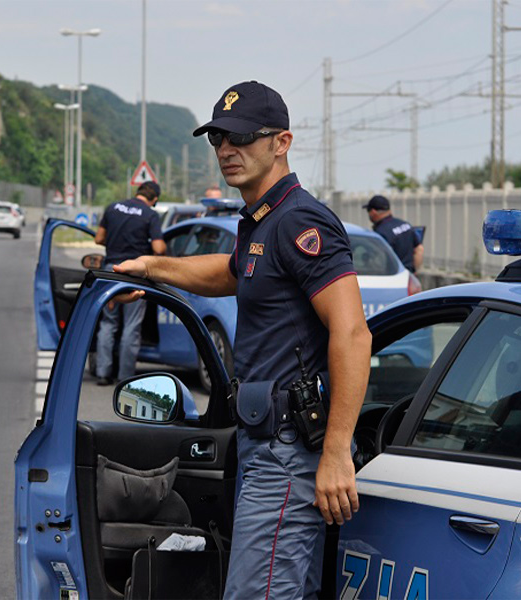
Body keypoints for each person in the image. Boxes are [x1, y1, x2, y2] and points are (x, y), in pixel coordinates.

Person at [114, 81, 372, 598]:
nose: (227, 149)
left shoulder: (299, 220)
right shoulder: (263, 220)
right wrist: (151, 267)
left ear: (282, 142)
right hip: (266, 446)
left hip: (287, 453)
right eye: (218, 138)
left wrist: (336, 453)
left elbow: (352, 333)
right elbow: (231, 273)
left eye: (243, 137)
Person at [93, 181, 166, 386]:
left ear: (137, 192)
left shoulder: (113, 207)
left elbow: (99, 238)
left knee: (108, 322)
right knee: (131, 325)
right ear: (154, 199)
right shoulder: (150, 214)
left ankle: (102, 372)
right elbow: (159, 249)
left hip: (110, 271)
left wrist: (115, 241)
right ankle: (124, 377)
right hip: (134, 272)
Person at [363, 195, 424, 273]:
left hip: (393, 276)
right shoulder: (406, 225)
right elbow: (419, 249)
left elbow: (378, 260)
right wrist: (413, 272)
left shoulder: (381, 232)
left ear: (373, 212)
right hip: (407, 275)